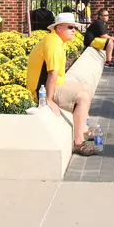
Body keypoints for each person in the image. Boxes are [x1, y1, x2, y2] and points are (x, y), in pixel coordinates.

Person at [27, 12, 98, 155]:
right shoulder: (53, 43)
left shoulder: (59, 41)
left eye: (75, 27)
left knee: (87, 89)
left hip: (54, 84)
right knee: (82, 96)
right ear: (59, 28)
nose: (74, 30)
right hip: (40, 89)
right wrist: (48, 99)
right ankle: (78, 143)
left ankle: (84, 130)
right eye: (70, 27)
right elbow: (52, 74)